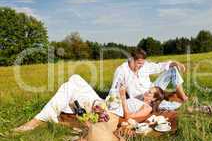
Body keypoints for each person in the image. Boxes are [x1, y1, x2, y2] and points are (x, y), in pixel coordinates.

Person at [13, 74, 165, 132]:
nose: (147, 92)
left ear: (153, 99)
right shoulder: (138, 98)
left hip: (106, 112)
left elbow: (127, 118)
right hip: (102, 103)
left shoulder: (146, 108)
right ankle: (51, 115)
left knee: (69, 87)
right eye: (148, 90)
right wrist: (116, 96)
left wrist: (123, 99)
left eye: (150, 93)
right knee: (75, 78)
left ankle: (37, 120)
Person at [109, 48, 188, 111]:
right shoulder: (121, 70)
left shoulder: (144, 65)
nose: (141, 66)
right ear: (131, 59)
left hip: (153, 90)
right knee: (165, 106)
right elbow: (114, 90)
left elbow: (159, 67)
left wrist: (175, 63)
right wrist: (112, 103)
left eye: (142, 64)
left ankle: (183, 97)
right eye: (139, 63)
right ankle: (175, 104)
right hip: (141, 99)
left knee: (172, 70)